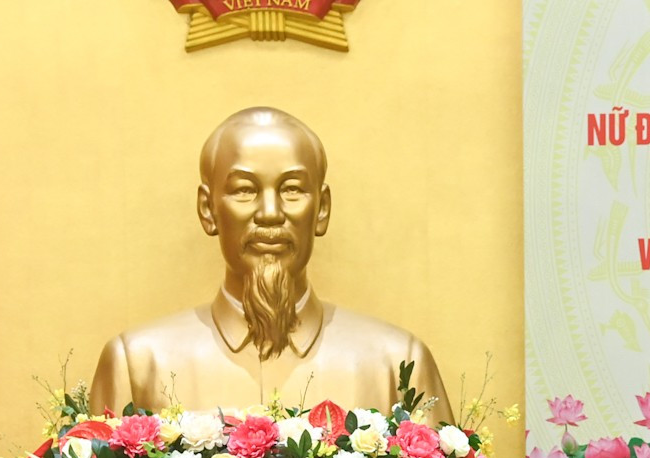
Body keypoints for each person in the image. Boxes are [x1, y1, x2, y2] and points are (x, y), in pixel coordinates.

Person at [90, 106, 452, 423]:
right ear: (208, 209)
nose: (269, 213)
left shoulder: (398, 366)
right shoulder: (137, 365)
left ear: (322, 209)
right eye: (244, 190)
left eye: (292, 189)